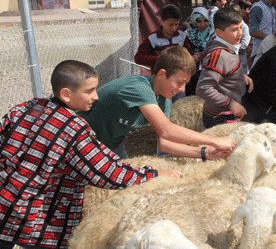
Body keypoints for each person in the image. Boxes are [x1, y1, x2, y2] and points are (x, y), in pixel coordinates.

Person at [0, 60, 181, 249]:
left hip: (4, 204)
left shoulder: (25, 108)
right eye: (89, 91)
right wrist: (153, 175)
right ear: (66, 94)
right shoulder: (73, 129)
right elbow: (106, 172)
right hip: (35, 220)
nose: (96, 96)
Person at [79, 45, 236, 159]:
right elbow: (166, 130)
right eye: (179, 82)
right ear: (161, 74)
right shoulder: (139, 88)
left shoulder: (163, 98)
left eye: (185, 84)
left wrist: (204, 153)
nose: (182, 90)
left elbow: (166, 143)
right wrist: (215, 141)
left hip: (113, 143)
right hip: (82, 140)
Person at [196, 7, 254, 128]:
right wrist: (231, 104)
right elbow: (203, 88)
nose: (240, 33)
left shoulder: (228, 45)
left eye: (240, 27)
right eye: (234, 30)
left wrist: (239, 76)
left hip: (227, 112)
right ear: (219, 32)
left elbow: (223, 71)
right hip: (221, 117)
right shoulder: (219, 55)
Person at [134, 4, 188, 71]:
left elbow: (189, 54)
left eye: (176, 24)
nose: (174, 28)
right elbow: (138, 58)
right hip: (159, 77)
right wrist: (160, 59)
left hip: (178, 76)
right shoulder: (152, 38)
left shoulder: (182, 36)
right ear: (161, 21)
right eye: (170, 25)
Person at [249, 0, 276, 65]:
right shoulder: (258, 8)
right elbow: (253, 31)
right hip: (260, 54)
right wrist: (271, 38)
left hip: (270, 52)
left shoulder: (272, 9)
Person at [184, 7, 214, 96]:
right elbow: (182, 51)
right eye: (198, 21)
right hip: (192, 71)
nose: (202, 24)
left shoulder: (213, 34)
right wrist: (190, 57)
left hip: (209, 70)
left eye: (205, 21)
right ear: (193, 21)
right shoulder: (187, 34)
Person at [231, 3, 252, 74]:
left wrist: (229, 48)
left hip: (241, 66)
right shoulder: (227, 27)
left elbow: (244, 45)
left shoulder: (245, 27)